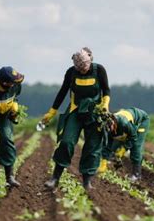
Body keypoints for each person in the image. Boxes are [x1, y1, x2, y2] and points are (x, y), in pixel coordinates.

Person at [42, 47, 111, 189]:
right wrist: (52, 111)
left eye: (84, 68)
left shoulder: (99, 70)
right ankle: (55, 178)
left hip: (95, 113)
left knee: (92, 147)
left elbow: (106, 90)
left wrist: (105, 105)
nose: (82, 71)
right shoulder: (71, 72)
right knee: (66, 142)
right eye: (79, 69)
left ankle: (87, 182)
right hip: (75, 110)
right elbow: (62, 91)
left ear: (89, 61)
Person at [97, 107, 150, 181]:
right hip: (128, 125)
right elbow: (107, 145)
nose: (108, 130)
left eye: (109, 128)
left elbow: (133, 137)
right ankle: (107, 162)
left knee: (135, 146)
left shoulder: (124, 123)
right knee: (116, 141)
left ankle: (137, 175)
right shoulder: (108, 127)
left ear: (113, 123)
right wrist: (104, 162)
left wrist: (123, 149)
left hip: (141, 121)